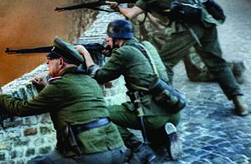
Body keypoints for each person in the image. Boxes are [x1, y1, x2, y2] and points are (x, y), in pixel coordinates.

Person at [112, 0, 249, 117]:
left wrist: (117, 7)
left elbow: (130, 14)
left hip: (190, 28)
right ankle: (239, 102)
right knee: (217, 63)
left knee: (164, 63)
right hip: (207, 23)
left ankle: (166, 104)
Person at [0, 37, 128, 164]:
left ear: (60, 63)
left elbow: (22, 108)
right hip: (117, 149)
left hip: (90, 155)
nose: (47, 65)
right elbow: (69, 99)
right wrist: (46, 87)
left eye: (49, 61)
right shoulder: (90, 80)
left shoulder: (60, 85)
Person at [76, 19, 183, 163]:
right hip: (172, 109)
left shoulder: (124, 53)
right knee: (154, 138)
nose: (106, 39)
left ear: (117, 38)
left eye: (108, 36)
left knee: (99, 114)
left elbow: (99, 76)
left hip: (152, 115)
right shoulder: (145, 46)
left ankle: (139, 148)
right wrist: (113, 50)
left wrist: (85, 53)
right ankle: (164, 138)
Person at [137, 0, 245, 85]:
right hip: (184, 32)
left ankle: (232, 68)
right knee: (194, 68)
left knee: (197, 71)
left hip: (188, 32)